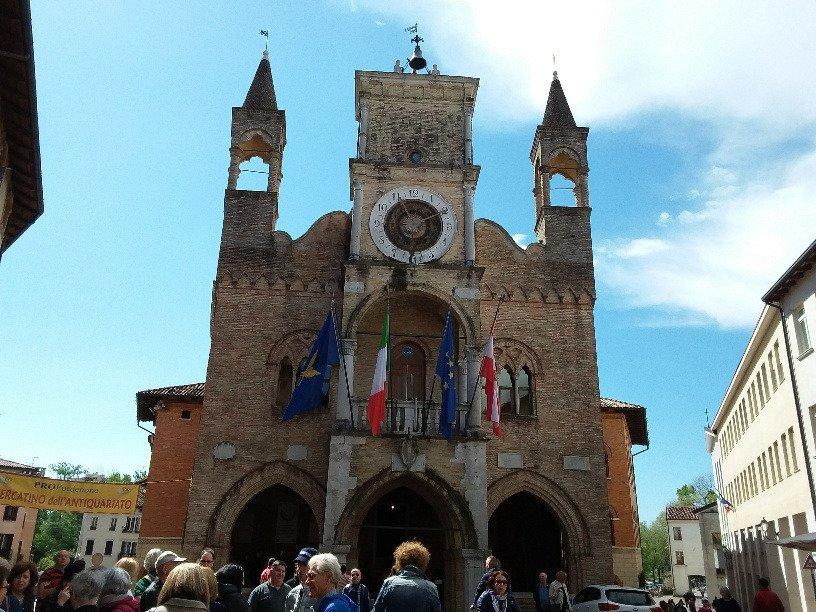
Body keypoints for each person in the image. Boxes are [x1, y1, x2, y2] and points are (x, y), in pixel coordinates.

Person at [372, 540, 441, 612]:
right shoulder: (431, 587)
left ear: (400, 562)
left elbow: (377, 610)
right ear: (423, 563)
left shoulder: (389, 582)